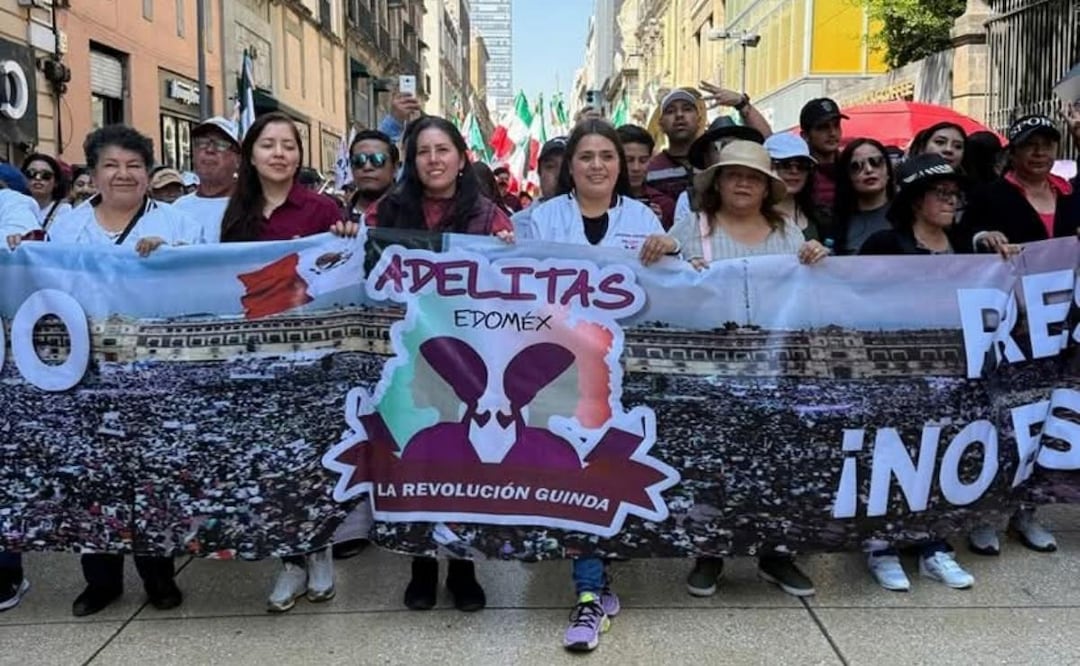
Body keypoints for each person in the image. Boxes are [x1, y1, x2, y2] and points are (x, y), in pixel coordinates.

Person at [13, 125, 201, 616]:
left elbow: (203, 284)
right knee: (90, 478)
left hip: (153, 373)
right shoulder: (69, 226)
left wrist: (173, 260)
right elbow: (43, 283)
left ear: (148, 172)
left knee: (152, 474)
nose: (123, 174)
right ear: (93, 173)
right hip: (82, 373)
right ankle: (100, 580)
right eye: (112, 165)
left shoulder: (179, 224)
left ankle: (159, 575)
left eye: (134, 165)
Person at [516, 119, 662, 652]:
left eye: (607, 156)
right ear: (569, 166)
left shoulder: (644, 218)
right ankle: (588, 594)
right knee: (577, 470)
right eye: (586, 157)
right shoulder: (540, 218)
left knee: (601, 472)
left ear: (621, 166)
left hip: (621, 368)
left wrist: (665, 252)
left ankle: (596, 580)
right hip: (555, 366)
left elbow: (664, 287)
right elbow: (509, 272)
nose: (597, 165)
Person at [364, 115, 512, 616]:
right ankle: (421, 566)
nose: (433, 159)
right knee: (416, 459)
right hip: (408, 357)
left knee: (465, 462)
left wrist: (513, 253)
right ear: (411, 160)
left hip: (470, 360)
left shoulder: (489, 215)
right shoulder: (386, 211)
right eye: (423, 151)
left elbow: (513, 282)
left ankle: (464, 567)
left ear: (461, 156)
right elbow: (363, 268)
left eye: (442, 149)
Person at [217, 112, 345, 612]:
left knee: (312, 456)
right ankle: (290, 560)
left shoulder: (320, 210)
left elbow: (338, 266)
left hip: (311, 355)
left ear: (299, 154)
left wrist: (346, 232)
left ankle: (320, 551)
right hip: (258, 357)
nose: (278, 153)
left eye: (288, 145)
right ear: (251, 154)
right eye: (268, 144)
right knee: (273, 461)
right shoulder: (236, 213)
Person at [962, 114, 1079, 557]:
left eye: (1048, 144)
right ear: (1013, 150)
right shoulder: (991, 196)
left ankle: (1027, 511)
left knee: (1046, 420)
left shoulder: (1072, 197)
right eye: (1031, 145)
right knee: (1000, 420)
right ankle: (983, 515)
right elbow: (960, 241)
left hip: (1061, 332)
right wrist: (982, 238)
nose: (1040, 153)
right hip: (1009, 331)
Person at [673, 116, 766, 225]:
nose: (730, 151)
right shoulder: (689, 200)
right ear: (706, 157)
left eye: (735, 145)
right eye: (722, 146)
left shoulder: (758, 190)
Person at [173, 117, 242, 242]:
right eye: (202, 142)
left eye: (221, 144)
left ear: (238, 159)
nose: (209, 150)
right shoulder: (178, 208)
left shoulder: (251, 206)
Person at [825, 138, 896, 255]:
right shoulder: (835, 224)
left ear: (888, 170)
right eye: (856, 166)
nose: (869, 170)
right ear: (847, 177)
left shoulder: (909, 215)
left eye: (876, 162)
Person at [645, 88, 706, 200]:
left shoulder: (712, 163)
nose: (679, 115)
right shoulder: (651, 171)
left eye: (687, 109)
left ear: (699, 120)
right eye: (670, 111)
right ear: (661, 124)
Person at [764, 133, 822, 241]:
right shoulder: (751, 213)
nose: (794, 171)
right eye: (785, 164)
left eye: (802, 165)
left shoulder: (819, 216)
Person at [617, 124, 676, 229]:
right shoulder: (600, 201)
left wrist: (657, 225)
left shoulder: (664, 204)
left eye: (643, 160)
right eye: (628, 160)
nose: (636, 168)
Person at [511, 136, 568, 237]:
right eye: (550, 167)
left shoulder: (597, 222)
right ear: (539, 173)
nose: (559, 174)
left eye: (566, 167)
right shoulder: (519, 224)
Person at [799, 97, 849, 209]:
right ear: (805, 136)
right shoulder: (798, 172)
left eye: (836, 125)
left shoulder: (852, 166)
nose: (832, 133)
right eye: (823, 127)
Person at [344, 128, 399, 223]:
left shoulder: (414, 215)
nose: (367, 167)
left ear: (395, 168)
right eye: (359, 160)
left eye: (377, 159)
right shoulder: (334, 218)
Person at [21, 153, 71, 228]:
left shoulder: (65, 211)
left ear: (56, 182)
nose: (38, 178)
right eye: (31, 173)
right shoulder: (16, 208)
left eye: (45, 175)